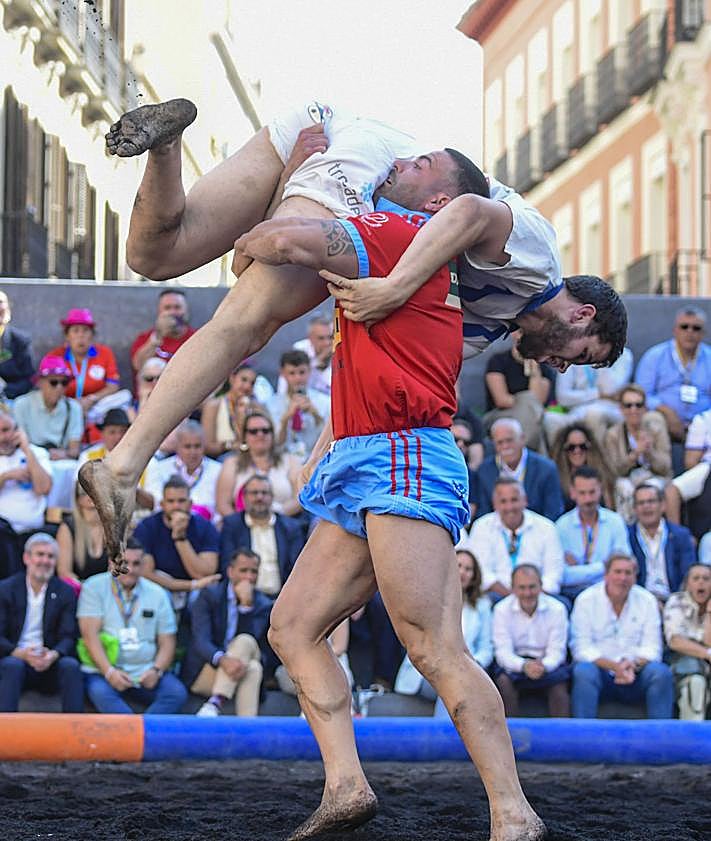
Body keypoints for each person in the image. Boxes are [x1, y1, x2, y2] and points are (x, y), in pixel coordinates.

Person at [79, 98, 626, 578]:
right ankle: (123, 468)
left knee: (155, 256)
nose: (561, 367)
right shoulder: (539, 256)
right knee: (249, 319)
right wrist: (393, 288)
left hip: (314, 133)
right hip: (374, 163)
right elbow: (464, 210)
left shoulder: (486, 328)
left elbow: (372, 362)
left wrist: (320, 457)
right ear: (580, 316)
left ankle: (167, 144)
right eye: (580, 356)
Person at [224, 162, 548, 841]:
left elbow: (289, 240)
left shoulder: (401, 230)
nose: (398, 163)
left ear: (436, 198)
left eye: (420, 162)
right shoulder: (412, 243)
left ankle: (514, 814)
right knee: (291, 626)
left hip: (401, 450)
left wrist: (248, 238)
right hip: (370, 455)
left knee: (433, 645)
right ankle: (345, 785)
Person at [77, 537, 187, 714]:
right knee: (100, 692)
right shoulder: (94, 587)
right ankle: (138, 733)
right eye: (124, 563)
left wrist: (156, 670)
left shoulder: (157, 593)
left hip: (145, 671)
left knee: (176, 693)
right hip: (103, 671)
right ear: (111, 563)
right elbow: (90, 636)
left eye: (136, 564)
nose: (130, 569)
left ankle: (141, 730)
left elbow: (168, 641)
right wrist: (109, 672)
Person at [570, 553, 674, 719]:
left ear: (635, 577)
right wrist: (614, 666)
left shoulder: (647, 600)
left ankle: (661, 737)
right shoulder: (586, 600)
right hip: (601, 671)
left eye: (628, 573)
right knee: (583, 671)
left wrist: (631, 665)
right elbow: (581, 649)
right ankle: (582, 737)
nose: (622, 578)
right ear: (606, 575)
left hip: (636, 671)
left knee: (660, 673)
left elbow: (653, 649)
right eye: (617, 572)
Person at [182, 547, 272, 717]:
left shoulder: (262, 604)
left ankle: (217, 702)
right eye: (243, 571)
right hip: (208, 670)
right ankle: (248, 732)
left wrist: (246, 606)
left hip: (240, 670)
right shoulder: (210, 595)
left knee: (250, 656)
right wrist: (223, 660)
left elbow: (255, 643)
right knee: (251, 666)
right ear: (230, 571)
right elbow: (201, 640)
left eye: (254, 572)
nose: (249, 577)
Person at [395, 549, 493, 701]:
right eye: (458, 566)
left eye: (468, 569)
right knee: (450, 683)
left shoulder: (482, 606)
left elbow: (486, 649)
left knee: (457, 681)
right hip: (429, 670)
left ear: (474, 576)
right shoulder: (429, 599)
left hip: (467, 671)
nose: (462, 572)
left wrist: (472, 665)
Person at [0, 533, 83, 712]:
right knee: (11, 666)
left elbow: (69, 635)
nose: (45, 561)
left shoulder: (65, 592)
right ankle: (5, 733)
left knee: (71, 666)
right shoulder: (6, 589)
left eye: (50, 556)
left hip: (49, 660)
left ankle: (76, 732)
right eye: (40, 554)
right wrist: (19, 653)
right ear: (26, 558)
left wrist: (53, 654)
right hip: (16, 658)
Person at [463, 477, 564, 598]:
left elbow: (554, 574)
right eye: (503, 501)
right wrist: (512, 597)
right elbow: (481, 572)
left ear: (525, 501)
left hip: (538, 597)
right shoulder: (481, 526)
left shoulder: (546, 527)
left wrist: (529, 595)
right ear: (495, 504)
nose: (509, 507)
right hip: (496, 596)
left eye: (514, 500)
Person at [492, 565, 570, 717]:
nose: (527, 593)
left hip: (546, 663)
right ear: (513, 588)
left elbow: (557, 652)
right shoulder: (501, 610)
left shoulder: (558, 609)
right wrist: (523, 665)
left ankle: (562, 737)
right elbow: (503, 652)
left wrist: (544, 666)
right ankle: (508, 737)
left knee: (560, 686)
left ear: (541, 586)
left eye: (532, 587)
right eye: (522, 588)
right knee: (503, 682)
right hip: (515, 663)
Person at [132, 476, 220, 605]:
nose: (176, 506)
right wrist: (190, 585)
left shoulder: (205, 527)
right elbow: (146, 574)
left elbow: (204, 573)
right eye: (171, 501)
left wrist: (180, 537)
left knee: (205, 594)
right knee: (157, 594)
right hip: (162, 586)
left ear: (190, 504)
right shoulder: (147, 527)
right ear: (162, 504)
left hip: (195, 590)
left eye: (181, 501)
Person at [219, 475, 305, 597]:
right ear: (244, 497)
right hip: (243, 597)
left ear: (272, 497)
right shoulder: (232, 525)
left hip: (282, 598)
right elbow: (227, 565)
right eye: (254, 493)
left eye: (264, 493)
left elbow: (297, 569)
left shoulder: (291, 528)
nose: (260, 497)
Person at [635, 306, 711, 442]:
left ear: (703, 333)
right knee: (652, 420)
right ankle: (660, 464)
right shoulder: (655, 355)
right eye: (684, 326)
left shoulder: (709, 357)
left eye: (696, 328)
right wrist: (666, 411)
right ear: (675, 330)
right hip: (663, 418)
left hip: (703, 422)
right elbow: (642, 394)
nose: (690, 332)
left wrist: (702, 420)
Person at [555, 466, 631, 601]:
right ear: (573, 493)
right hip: (572, 593)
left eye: (592, 492)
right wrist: (605, 566)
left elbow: (623, 567)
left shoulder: (615, 522)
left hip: (608, 590)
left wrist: (578, 570)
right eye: (582, 493)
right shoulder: (562, 526)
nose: (588, 499)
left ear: (600, 490)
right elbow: (562, 575)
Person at [470, 418, 564, 522]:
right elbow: (484, 514)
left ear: (522, 439)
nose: (505, 446)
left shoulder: (546, 468)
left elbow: (553, 512)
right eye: (500, 442)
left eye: (509, 440)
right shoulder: (484, 470)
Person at [215, 410, 302, 518]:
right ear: (244, 436)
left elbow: (300, 498)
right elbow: (223, 505)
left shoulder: (291, 461)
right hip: (242, 526)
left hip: (284, 523)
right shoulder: (232, 463)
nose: (260, 435)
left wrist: (276, 518)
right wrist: (241, 524)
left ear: (272, 434)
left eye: (265, 430)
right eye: (253, 431)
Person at [604, 385, 671, 522]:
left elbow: (665, 467)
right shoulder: (613, 435)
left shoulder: (656, 429)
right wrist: (635, 454)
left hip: (653, 476)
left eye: (638, 405)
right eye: (628, 405)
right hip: (626, 479)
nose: (633, 410)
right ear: (621, 409)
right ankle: (628, 532)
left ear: (645, 408)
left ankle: (655, 530)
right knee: (624, 488)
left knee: (653, 488)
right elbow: (614, 471)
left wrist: (649, 452)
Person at [543, 347, 634, 445]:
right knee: (550, 419)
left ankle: (596, 458)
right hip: (576, 410)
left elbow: (610, 389)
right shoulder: (571, 353)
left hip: (609, 408)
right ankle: (558, 459)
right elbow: (563, 397)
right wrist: (597, 394)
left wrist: (601, 357)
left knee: (593, 413)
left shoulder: (624, 355)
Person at [0, 411, 52, 578]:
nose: (3, 437)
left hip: (32, 533)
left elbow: (44, 488)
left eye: (6, 430)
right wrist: (6, 476)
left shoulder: (37, 453)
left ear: (17, 430)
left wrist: (27, 450)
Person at [483, 333, 555, 452]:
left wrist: (534, 372)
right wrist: (523, 400)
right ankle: (532, 456)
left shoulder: (544, 367)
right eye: (519, 331)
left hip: (531, 415)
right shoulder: (498, 361)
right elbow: (502, 400)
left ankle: (524, 455)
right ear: (512, 334)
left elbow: (537, 402)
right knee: (529, 405)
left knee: (532, 411)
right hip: (501, 414)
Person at [627, 484, 695, 604]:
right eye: (641, 503)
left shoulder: (680, 535)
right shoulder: (627, 536)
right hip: (638, 601)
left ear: (663, 505)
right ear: (634, 509)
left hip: (675, 600)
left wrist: (673, 603)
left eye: (651, 501)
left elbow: (688, 574)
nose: (646, 506)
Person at [143, 420, 222, 519]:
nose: (193, 452)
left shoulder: (218, 470)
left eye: (197, 446)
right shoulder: (159, 469)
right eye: (187, 447)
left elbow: (220, 511)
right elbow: (157, 504)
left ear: (204, 446)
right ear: (177, 446)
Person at [48, 308, 120, 415]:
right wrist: (72, 404)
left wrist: (92, 399)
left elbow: (113, 386)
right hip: (65, 407)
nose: (81, 336)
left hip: (97, 405)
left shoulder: (105, 353)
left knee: (124, 397)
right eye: (75, 330)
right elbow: (48, 388)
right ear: (67, 336)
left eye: (85, 330)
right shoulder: (55, 356)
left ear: (92, 335)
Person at [663, 564, 711, 720]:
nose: (701, 583)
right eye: (696, 578)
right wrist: (707, 653)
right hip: (682, 664)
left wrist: (710, 614)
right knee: (695, 681)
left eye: (706, 579)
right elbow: (675, 641)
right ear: (688, 583)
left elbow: (709, 641)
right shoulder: (676, 601)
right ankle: (694, 736)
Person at [12, 354, 83, 461]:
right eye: (53, 382)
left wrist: (64, 454)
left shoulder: (74, 408)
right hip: (29, 460)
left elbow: (74, 449)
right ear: (40, 382)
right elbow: (18, 443)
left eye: (64, 383)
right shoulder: (21, 404)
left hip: (60, 464)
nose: (59, 387)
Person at [267, 350, 330, 460]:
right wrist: (286, 418)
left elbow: (329, 440)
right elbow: (275, 444)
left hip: (315, 460)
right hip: (284, 461)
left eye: (302, 372)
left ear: (309, 371)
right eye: (292, 373)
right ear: (282, 373)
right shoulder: (272, 404)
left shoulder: (325, 402)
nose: (298, 378)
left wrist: (315, 414)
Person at [201, 363, 265, 458]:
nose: (247, 386)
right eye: (244, 380)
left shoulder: (256, 407)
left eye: (252, 383)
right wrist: (229, 445)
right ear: (232, 378)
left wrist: (243, 417)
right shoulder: (214, 405)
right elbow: (208, 446)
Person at [664, 408, 711, 536]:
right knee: (671, 491)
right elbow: (690, 461)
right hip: (707, 467)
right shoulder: (703, 419)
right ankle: (678, 538)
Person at [130, 289, 196, 377]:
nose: (173, 312)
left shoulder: (197, 337)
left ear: (186, 310)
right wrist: (158, 336)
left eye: (177, 307)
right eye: (167, 308)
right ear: (159, 312)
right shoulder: (146, 338)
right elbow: (138, 366)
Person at [549, 423, 614, 511]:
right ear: (564, 450)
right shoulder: (555, 478)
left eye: (582, 446)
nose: (577, 451)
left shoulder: (602, 475)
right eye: (571, 447)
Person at [56, 483, 109, 583]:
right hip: (78, 591)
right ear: (77, 499)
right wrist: (85, 590)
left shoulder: (113, 527)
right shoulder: (67, 527)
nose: (91, 497)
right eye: (84, 493)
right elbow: (64, 572)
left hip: (107, 592)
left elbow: (116, 571)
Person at [0, 290, 34, 400]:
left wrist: (4, 391)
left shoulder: (20, 341)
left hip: (12, 400)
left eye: (1, 302)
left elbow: (29, 379)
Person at [290, 313, 334, 396]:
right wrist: (318, 361)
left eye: (331, 337)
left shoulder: (339, 350)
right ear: (310, 337)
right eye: (321, 338)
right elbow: (296, 382)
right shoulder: (300, 349)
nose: (327, 343)